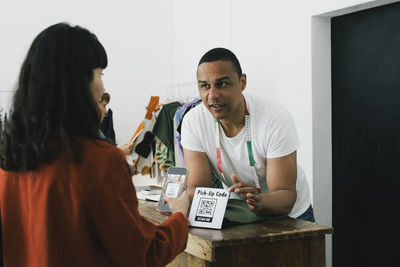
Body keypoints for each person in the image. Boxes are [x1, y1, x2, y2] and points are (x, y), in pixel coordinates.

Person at [0, 23, 190, 267]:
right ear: (80, 83)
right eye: (100, 74)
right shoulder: (101, 162)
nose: (103, 86)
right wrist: (179, 216)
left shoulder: (10, 160)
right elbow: (142, 255)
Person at [181, 47, 315, 224]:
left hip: (291, 215)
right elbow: (199, 188)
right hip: (243, 211)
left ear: (242, 82)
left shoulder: (274, 118)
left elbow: (285, 196)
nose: (212, 95)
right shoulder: (193, 121)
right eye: (205, 86)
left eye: (222, 84)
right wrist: (180, 202)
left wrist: (259, 200)